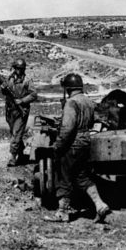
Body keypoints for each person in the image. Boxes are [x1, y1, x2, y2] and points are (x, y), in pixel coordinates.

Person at [45, 73, 110, 223]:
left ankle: (62, 212)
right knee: (82, 176)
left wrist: (58, 146)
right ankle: (100, 205)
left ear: (68, 88)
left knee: (64, 177)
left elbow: (67, 128)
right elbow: (95, 120)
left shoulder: (71, 103)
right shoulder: (88, 101)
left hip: (72, 144)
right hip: (86, 141)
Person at [3, 58, 37, 167]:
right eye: (17, 68)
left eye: (21, 69)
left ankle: (13, 157)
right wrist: (3, 88)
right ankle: (21, 153)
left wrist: (22, 100)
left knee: (16, 135)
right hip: (10, 110)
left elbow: (34, 94)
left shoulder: (27, 80)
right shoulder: (10, 78)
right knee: (14, 133)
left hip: (21, 111)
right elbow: (5, 92)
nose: (18, 71)